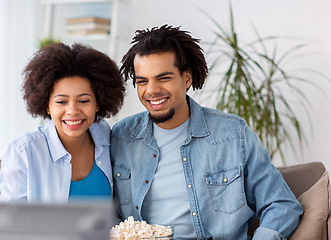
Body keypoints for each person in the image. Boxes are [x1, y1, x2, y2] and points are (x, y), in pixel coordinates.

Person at [110, 25, 303, 240]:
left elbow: (281, 204)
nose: (151, 90)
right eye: (142, 81)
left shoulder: (233, 134)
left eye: (163, 78)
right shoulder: (122, 136)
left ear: (186, 79)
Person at [0, 43, 125, 202]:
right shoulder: (23, 151)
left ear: (98, 103)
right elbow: (12, 219)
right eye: (61, 102)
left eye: (84, 100)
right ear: (47, 105)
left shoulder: (105, 135)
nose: (72, 111)